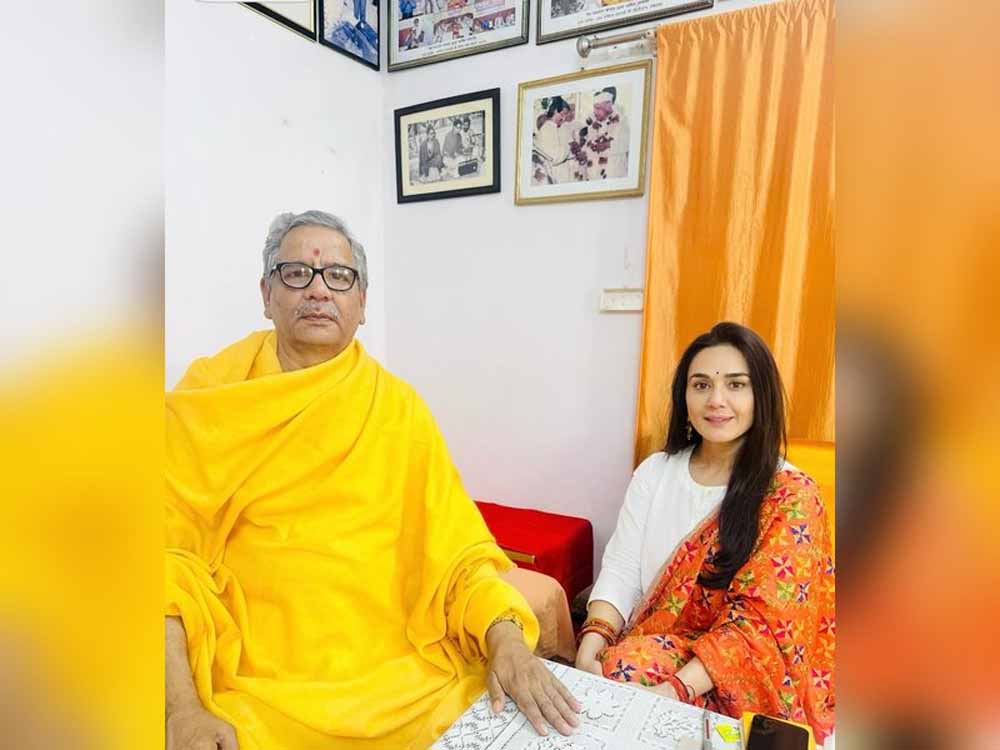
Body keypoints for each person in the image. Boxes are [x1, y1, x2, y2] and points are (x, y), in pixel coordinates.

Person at [165, 211, 580, 750]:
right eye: (296, 273)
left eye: (339, 276)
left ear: (361, 303)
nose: (318, 290)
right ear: (267, 294)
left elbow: (459, 561)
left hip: (400, 667)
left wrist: (508, 643)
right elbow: (159, 558)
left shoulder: (399, 409)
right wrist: (181, 709)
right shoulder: (209, 400)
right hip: (257, 676)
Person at [575, 322, 835, 745]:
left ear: (761, 396)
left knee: (626, 671)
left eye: (736, 384)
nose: (716, 400)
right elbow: (621, 570)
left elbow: (760, 628)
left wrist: (672, 691)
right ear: (685, 396)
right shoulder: (655, 472)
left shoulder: (791, 494)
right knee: (612, 673)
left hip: (746, 673)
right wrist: (589, 648)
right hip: (651, 647)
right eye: (701, 385)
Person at [582, 87, 630, 179]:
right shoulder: (594, 119)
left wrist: (607, 145)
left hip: (613, 170)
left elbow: (626, 143)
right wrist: (586, 150)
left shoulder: (622, 119)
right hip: (594, 171)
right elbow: (589, 141)